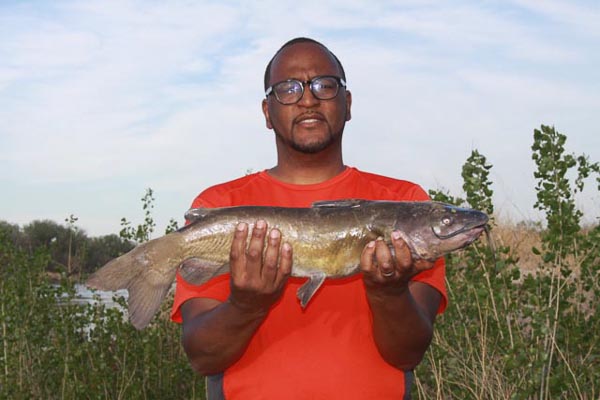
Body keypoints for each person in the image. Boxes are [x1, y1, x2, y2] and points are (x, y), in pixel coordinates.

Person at [170, 37, 447, 399]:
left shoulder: (407, 204)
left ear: (347, 105)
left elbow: (408, 353)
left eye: (324, 85)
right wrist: (246, 305)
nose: (307, 98)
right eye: (288, 88)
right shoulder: (221, 205)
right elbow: (203, 357)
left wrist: (389, 293)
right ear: (267, 113)